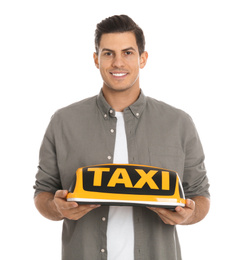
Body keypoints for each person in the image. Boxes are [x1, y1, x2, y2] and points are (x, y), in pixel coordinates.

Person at [34, 15, 210, 260]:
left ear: (143, 58)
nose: (118, 62)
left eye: (127, 52)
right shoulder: (63, 121)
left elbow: (200, 194)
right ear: (96, 59)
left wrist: (189, 214)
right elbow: (43, 191)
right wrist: (57, 208)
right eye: (108, 53)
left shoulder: (179, 123)